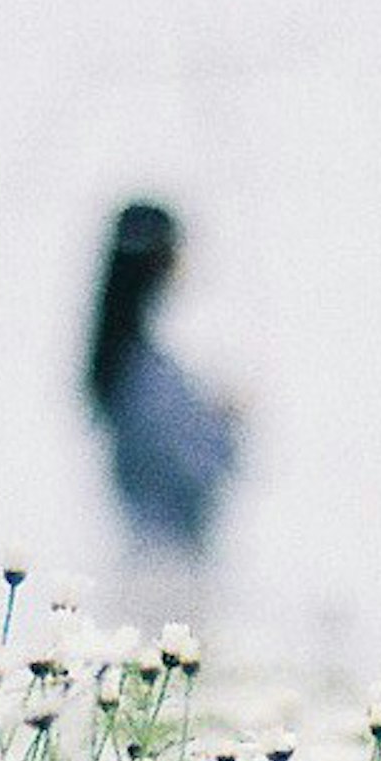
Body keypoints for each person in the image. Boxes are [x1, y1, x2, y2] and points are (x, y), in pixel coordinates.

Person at [82, 200, 244, 592]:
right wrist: (223, 423)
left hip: (150, 559)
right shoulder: (147, 375)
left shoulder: (125, 362)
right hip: (165, 569)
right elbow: (197, 472)